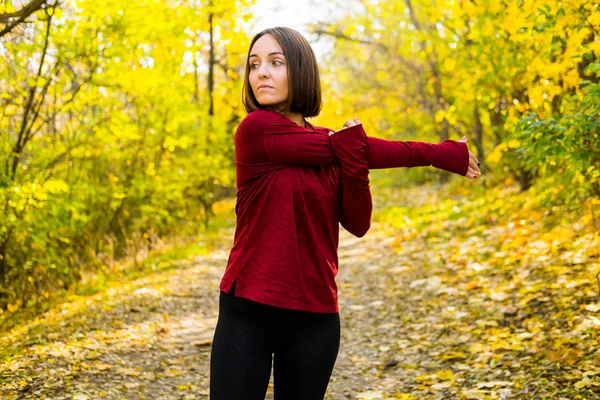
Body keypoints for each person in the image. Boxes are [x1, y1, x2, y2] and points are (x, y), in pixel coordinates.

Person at [209, 27, 481, 400]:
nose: (261, 73)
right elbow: (363, 148)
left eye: (276, 62)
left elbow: (358, 223)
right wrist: (439, 153)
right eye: (254, 65)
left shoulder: (333, 147)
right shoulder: (256, 130)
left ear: (301, 70)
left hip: (315, 314)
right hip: (249, 308)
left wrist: (354, 163)